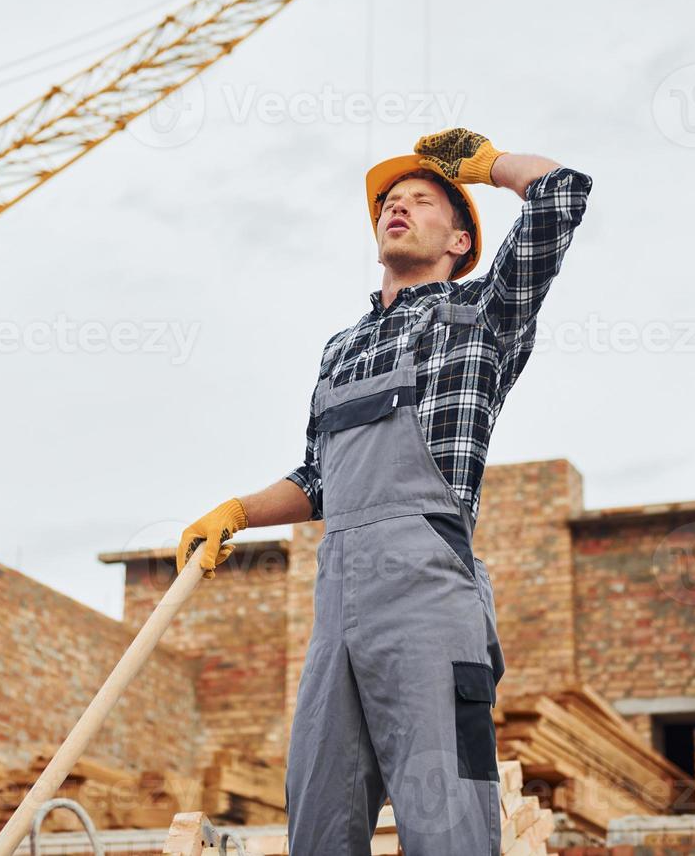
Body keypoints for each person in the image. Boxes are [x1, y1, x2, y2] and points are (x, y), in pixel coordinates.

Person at [176, 127, 592, 855]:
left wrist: (489, 167)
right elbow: (318, 480)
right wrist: (238, 511)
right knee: (318, 815)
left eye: (421, 200)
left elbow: (562, 195)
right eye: (387, 203)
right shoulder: (341, 349)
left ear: (460, 241)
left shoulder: (483, 317)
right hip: (338, 603)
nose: (395, 209)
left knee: (449, 821)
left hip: (428, 596)